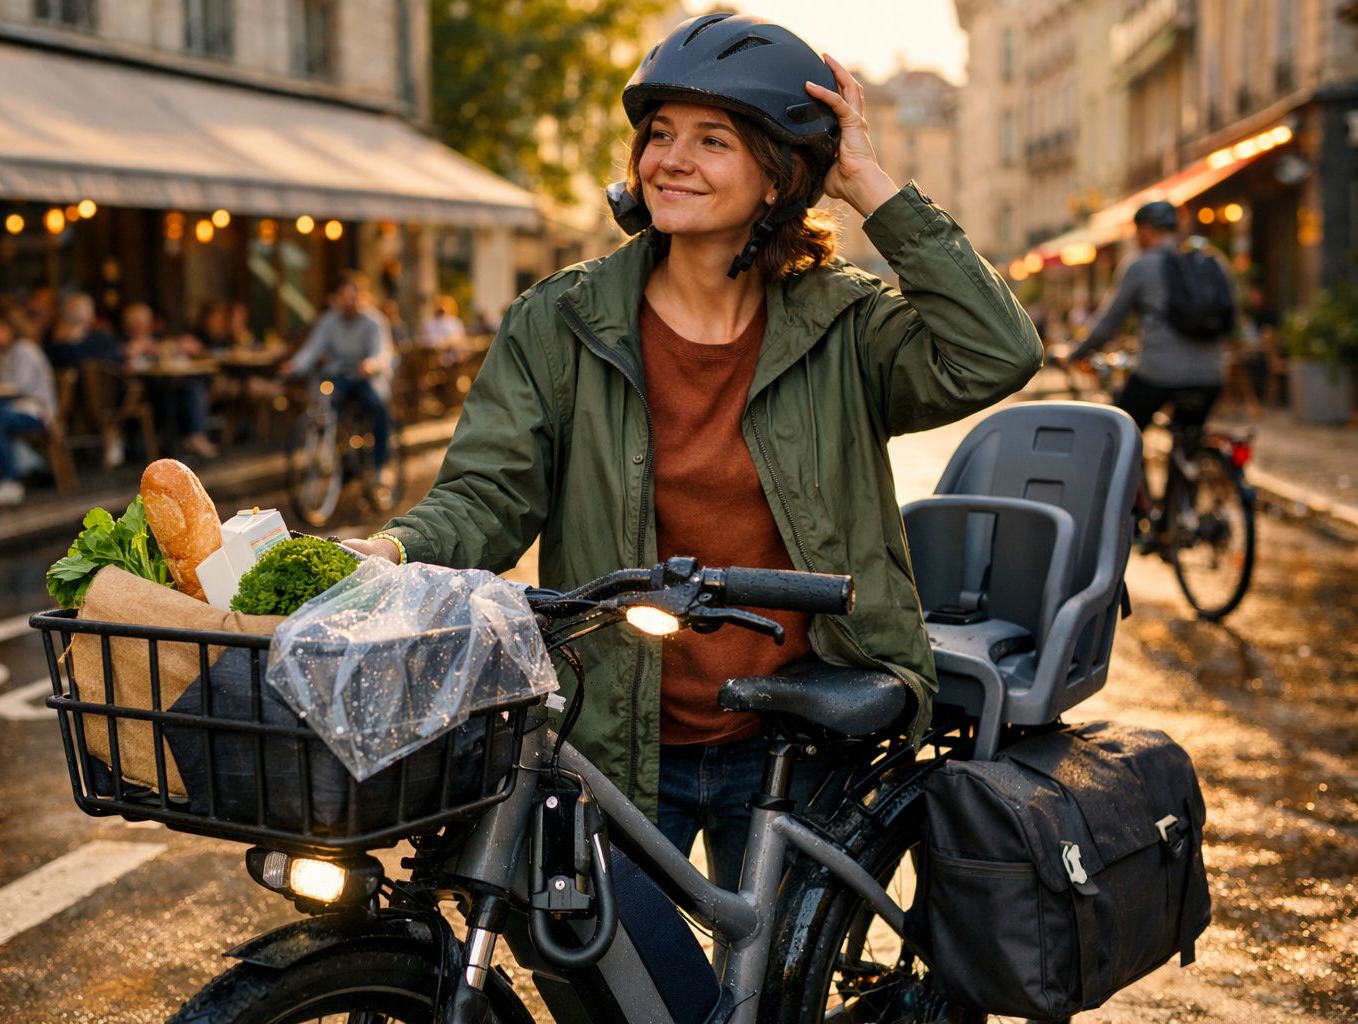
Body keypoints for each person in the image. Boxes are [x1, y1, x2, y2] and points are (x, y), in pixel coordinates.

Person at [340, 14, 1042, 890]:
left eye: (713, 140)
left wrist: (868, 184)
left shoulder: (847, 325)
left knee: (770, 995)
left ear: (780, 175)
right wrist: (394, 550)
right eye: (659, 134)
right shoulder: (559, 323)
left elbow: (997, 352)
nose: (671, 159)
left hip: (797, 730)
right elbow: (487, 493)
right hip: (617, 732)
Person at [1062, 200, 1227, 432]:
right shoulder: (1211, 261)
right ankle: (1190, 462)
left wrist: (1074, 353)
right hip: (1211, 374)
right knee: (1188, 439)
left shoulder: (1140, 266)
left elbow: (1108, 324)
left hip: (1158, 374)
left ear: (1146, 229)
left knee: (1120, 432)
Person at [284, 273, 396, 478]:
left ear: (362, 297)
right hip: (339, 376)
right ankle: (341, 454)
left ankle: (381, 465)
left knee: (377, 406)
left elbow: (382, 351)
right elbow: (313, 347)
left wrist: (371, 364)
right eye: (344, 298)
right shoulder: (328, 321)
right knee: (326, 403)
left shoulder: (374, 322)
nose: (348, 303)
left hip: (365, 377)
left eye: (352, 298)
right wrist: (295, 364)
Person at [0, 310, 58, 506]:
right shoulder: (6, 352)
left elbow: (21, 386)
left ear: (11, 329)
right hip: (16, 408)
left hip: (35, 411)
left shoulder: (25, 349)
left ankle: (6, 476)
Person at [120, 302, 217, 459]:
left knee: (192, 388)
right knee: (182, 392)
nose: (141, 326)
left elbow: (170, 350)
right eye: (136, 322)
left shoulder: (156, 340)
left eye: (144, 322)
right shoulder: (125, 344)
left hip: (162, 385)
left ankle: (193, 438)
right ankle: (182, 442)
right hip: (140, 393)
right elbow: (125, 366)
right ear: (128, 325)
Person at [46, 293, 122, 370]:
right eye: (74, 308)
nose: (76, 313)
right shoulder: (56, 339)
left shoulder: (101, 336)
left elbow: (114, 358)